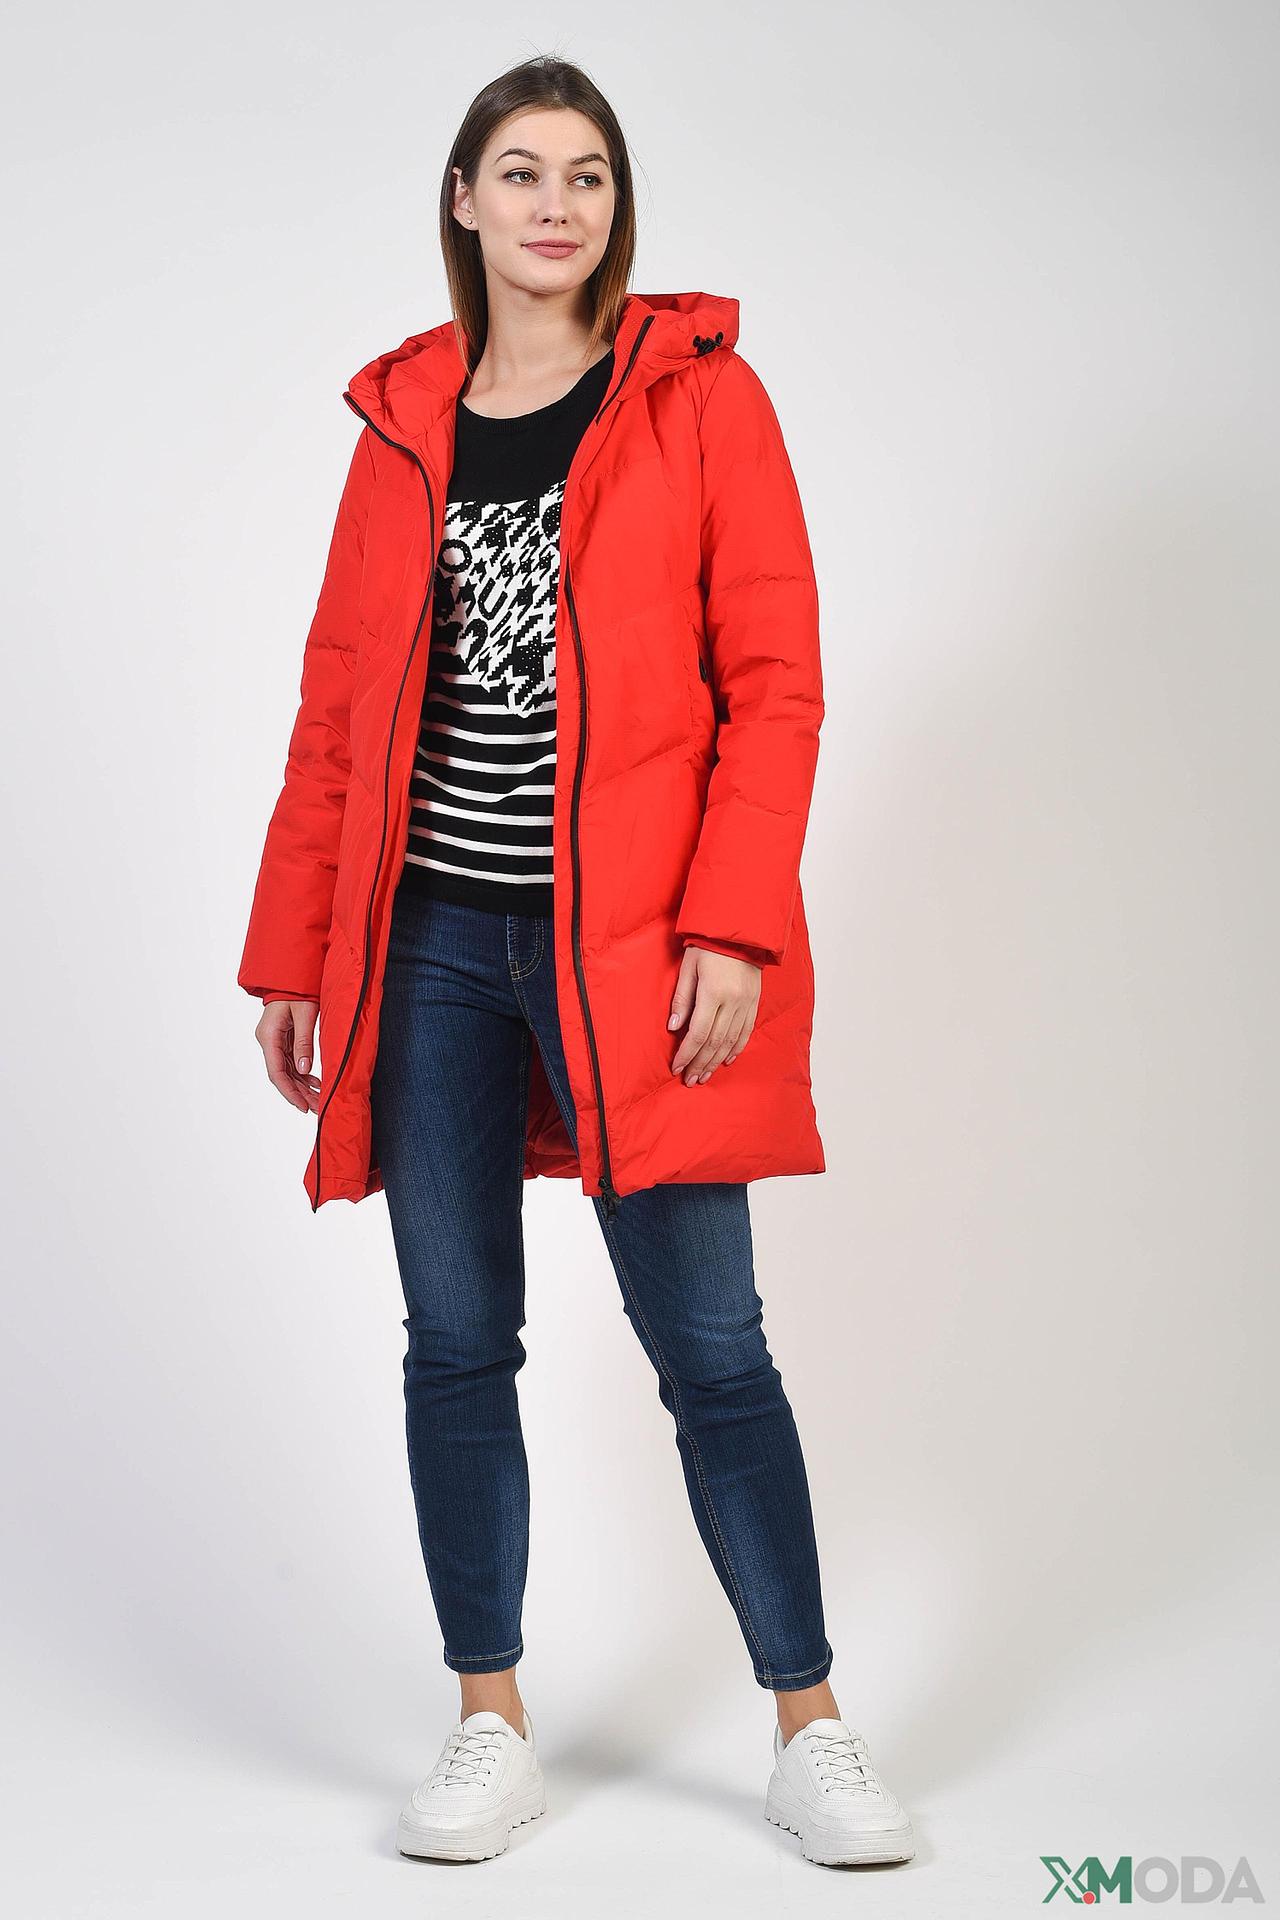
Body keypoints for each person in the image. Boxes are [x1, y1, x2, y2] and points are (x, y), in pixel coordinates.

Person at [238, 54, 915, 1872]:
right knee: (457, 1341)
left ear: (618, 208)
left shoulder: (699, 399)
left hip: (631, 949)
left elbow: (775, 684)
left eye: (589, 175)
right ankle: (490, 1719)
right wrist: (297, 953)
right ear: (463, 200)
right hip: (431, 950)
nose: (557, 204)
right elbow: (337, 712)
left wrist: (730, 921)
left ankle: (812, 1728)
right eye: (522, 171)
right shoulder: (402, 425)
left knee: (714, 1346)